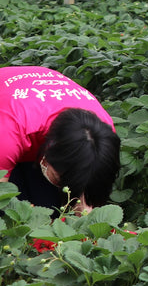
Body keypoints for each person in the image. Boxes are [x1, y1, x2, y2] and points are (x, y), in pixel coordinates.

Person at [0, 66, 120, 213]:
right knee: (13, 208)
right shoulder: (9, 131)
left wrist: (85, 211)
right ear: (45, 158)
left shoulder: (101, 136)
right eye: (60, 179)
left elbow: (89, 184)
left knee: (50, 207)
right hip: (10, 116)